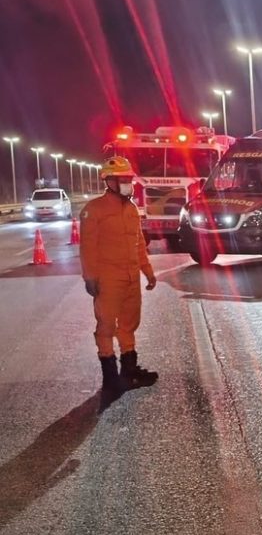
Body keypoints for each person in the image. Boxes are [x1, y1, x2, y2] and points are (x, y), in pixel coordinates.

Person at [80, 156, 159, 395]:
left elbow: (138, 245)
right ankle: (110, 377)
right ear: (109, 181)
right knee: (106, 326)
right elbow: (88, 247)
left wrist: (148, 272)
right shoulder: (93, 210)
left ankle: (129, 371)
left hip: (130, 278)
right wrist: (90, 277)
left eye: (129, 179)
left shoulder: (132, 208)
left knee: (129, 324)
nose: (128, 183)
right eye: (123, 179)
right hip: (107, 279)